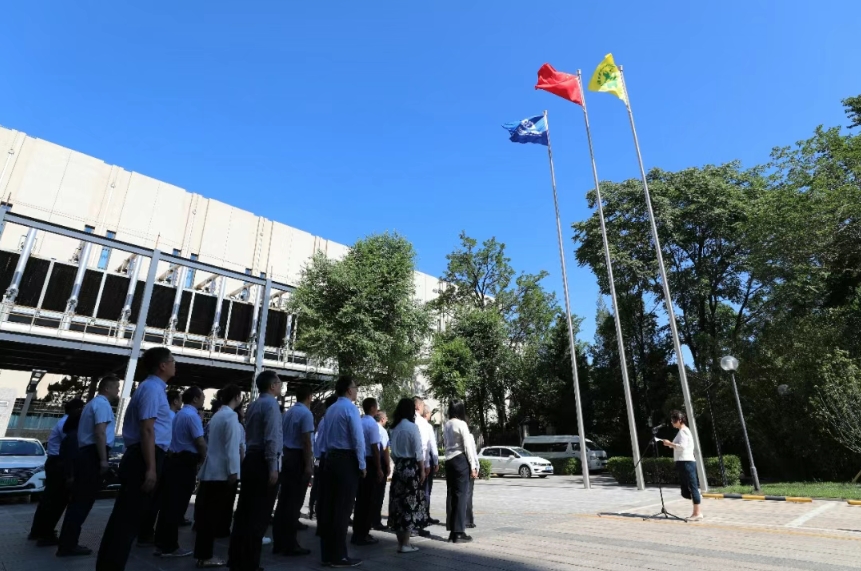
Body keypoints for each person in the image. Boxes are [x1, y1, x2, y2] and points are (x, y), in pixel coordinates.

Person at [96, 347, 174, 571]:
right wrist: (151, 468)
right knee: (128, 518)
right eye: (172, 361)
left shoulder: (153, 388)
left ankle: (110, 564)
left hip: (145, 453)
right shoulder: (151, 389)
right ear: (162, 365)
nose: (175, 365)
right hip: (144, 455)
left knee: (128, 516)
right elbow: (147, 429)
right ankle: (111, 565)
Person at [55, 377, 119, 557]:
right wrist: (103, 460)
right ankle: (69, 544)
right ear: (107, 388)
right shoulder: (102, 404)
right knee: (83, 501)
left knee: (79, 500)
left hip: (86, 453)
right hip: (92, 454)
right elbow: (100, 433)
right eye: (116, 387)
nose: (118, 391)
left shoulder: (91, 404)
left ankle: (67, 542)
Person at [227, 371, 283, 571]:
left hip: (252, 459)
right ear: (272, 386)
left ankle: (236, 559)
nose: (281, 385)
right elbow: (271, 438)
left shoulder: (254, 404)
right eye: (279, 382)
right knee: (259, 515)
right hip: (263, 461)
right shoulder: (271, 405)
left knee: (245, 512)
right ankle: (249, 563)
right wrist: (273, 466)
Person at [316, 376, 365, 568]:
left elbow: (323, 437)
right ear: (349, 390)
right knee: (343, 509)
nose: (356, 390)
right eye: (355, 387)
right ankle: (339, 556)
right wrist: (362, 464)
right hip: (346, 460)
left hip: (330, 459)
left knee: (329, 507)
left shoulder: (331, 409)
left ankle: (327, 554)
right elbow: (357, 439)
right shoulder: (350, 409)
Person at [154, 386, 207, 557]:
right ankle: (170, 545)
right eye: (202, 396)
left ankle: (161, 541)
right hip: (185, 462)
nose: (204, 399)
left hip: (174, 460)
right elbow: (199, 441)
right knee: (177, 505)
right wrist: (204, 458)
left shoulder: (179, 415)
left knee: (169, 504)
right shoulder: (192, 416)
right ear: (195, 399)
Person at [195, 384, 244, 568]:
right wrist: (234, 470)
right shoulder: (231, 417)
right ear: (237, 397)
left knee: (206, 516)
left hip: (211, 470)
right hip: (222, 472)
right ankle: (206, 555)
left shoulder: (217, 415)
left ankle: (202, 553)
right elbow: (232, 447)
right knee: (212, 517)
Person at [29, 398, 84, 546]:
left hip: (56, 462)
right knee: (57, 501)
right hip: (59, 463)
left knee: (49, 499)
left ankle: (38, 531)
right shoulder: (67, 425)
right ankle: (46, 534)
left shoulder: (63, 422)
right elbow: (71, 446)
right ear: (77, 410)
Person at [272, 384, 315, 557]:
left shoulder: (288, 412)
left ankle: (279, 541)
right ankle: (290, 543)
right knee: (294, 502)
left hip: (286, 455)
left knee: (284, 500)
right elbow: (306, 441)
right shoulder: (306, 414)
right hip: (297, 457)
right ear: (309, 396)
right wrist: (308, 464)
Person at [139, 388, 183, 545]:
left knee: (154, 498)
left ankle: (144, 531)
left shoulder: (169, 416)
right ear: (175, 401)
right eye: (180, 399)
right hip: (164, 456)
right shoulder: (171, 417)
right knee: (156, 498)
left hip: (162, 455)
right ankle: (146, 532)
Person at [387, 398, 426, 554]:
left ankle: (400, 543)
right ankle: (406, 543)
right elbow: (418, 451)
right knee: (410, 504)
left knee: (397, 504)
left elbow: (392, 452)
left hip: (399, 468)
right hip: (411, 468)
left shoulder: (394, 428)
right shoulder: (412, 427)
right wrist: (422, 470)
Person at [443, 399, 477, 543]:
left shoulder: (446, 424)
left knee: (451, 495)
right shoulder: (461, 424)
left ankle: (452, 531)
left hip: (449, 460)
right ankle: (459, 532)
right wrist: (473, 466)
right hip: (460, 459)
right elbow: (467, 446)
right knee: (461, 496)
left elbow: (445, 443)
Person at [351, 397, 383, 546]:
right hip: (370, 462)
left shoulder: (360, 422)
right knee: (369, 499)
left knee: (360, 499)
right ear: (372, 408)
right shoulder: (372, 424)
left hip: (359, 461)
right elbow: (375, 448)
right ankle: (363, 533)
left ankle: (358, 531)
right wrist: (379, 468)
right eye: (376, 407)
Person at [662, 410, 703, 521]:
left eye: (673, 420)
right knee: (686, 489)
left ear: (679, 420)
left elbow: (682, 446)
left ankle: (697, 513)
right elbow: (679, 446)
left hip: (686, 461)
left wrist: (669, 443)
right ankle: (696, 508)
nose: (672, 422)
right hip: (684, 461)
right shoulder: (682, 431)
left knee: (691, 486)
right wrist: (670, 444)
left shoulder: (683, 431)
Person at [309, 394, 338, 521]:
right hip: (325, 456)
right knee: (322, 487)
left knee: (318, 486)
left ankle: (314, 509)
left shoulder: (323, 420)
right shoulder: (328, 420)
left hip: (320, 456)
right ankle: (317, 510)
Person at [413, 397, 438, 531]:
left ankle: (412, 521)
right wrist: (429, 463)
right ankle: (422, 518)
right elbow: (427, 446)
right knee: (424, 491)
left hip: (407, 462)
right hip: (421, 460)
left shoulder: (404, 421)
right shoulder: (424, 424)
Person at [371, 410, 390, 531]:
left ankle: (369, 519)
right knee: (379, 494)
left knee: (370, 493)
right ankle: (376, 520)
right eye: (386, 418)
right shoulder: (382, 431)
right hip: (380, 462)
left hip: (369, 462)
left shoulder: (370, 427)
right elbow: (385, 449)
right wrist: (387, 466)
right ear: (382, 419)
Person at [421, 406, 440, 525]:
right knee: (427, 489)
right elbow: (432, 445)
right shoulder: (427, 426)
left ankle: (421, 514)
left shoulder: (415, 423)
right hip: (427, 460)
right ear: (426, 413)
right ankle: (425, 515)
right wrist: (436, 462)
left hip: (418, 460)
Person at [464, 431, 478, 529]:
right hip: (467, 466)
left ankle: (454, 520)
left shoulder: (449, 431)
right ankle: (467, 520)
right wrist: (475, 467)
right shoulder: (468, 436)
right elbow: (472, 452)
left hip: (455, 465)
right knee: (468, 494)